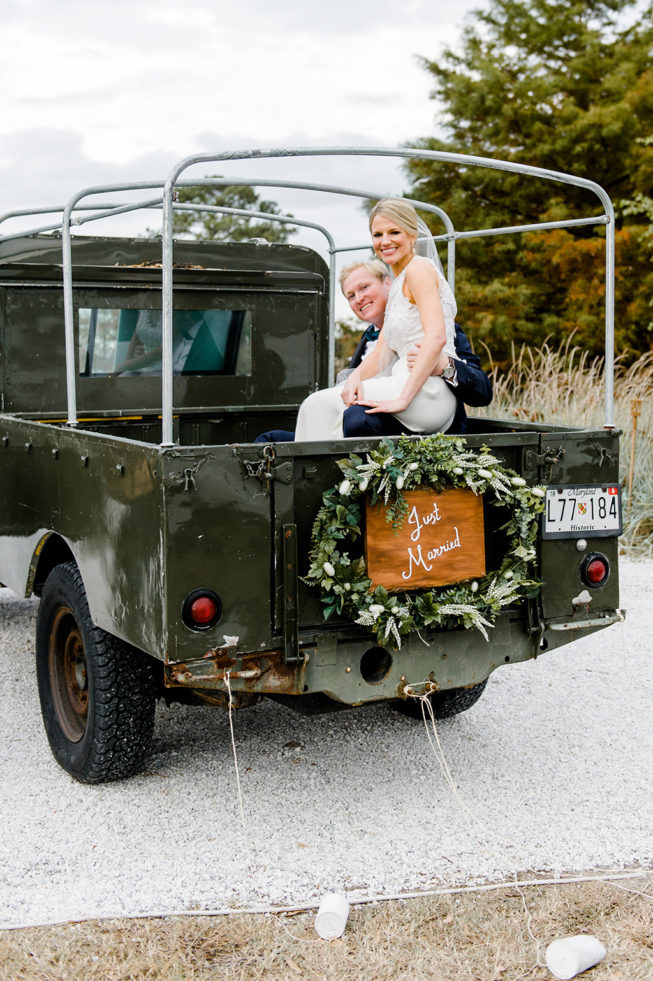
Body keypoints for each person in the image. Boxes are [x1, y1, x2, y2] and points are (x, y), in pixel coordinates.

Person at [254, 254, 492, 442]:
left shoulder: (433, 325)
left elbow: (482, 391)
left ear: (389, 284)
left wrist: (444, 366)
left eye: (365, 287)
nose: (359, 298)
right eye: (351, 295)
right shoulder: (366, 343)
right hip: (352, 429)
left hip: (412, 433)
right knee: (270, 439)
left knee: (355, 418)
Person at [293, 198, 465, 440]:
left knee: (316, 406)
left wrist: (403, 398)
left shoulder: (418, 269)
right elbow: (380, 354)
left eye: (394, 232)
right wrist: (354, 377)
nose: (385, 241)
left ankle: (307, 476)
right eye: (377, 234)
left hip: (427, 390)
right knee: (325, 405)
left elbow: (437, 337)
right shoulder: (397, 286)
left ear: (412, 234)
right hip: (405, 381)